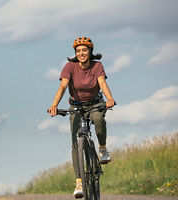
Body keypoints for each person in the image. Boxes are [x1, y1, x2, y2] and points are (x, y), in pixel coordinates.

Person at [47, 36, 115, 198]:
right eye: (78, 51)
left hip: (95, 103)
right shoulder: (70, 66)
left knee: (98, 119)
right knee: (75, 142)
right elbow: (63, 86)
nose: (81, 53)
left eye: (84, 50)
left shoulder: (97, 66)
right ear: (75, 53)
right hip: (76, 105)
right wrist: (54, 105)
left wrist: (110, 98)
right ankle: (79, 181)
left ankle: (103, 149)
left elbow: (102, 83)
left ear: (90, 51)